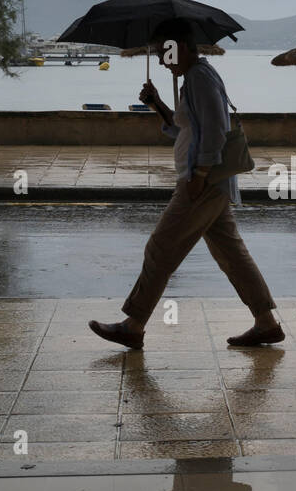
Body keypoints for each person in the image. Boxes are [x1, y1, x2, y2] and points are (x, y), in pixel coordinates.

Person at [88, 19, 284, 350]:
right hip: (208, 182)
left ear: (181, 46)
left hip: (202, 183)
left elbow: (216, 130)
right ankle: (266, 323)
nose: (163, 57)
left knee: (160, 247)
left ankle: (133, 324)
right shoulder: (193, 79)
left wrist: (200, 175)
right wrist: (158, 105)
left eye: (165, 49)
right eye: (159, 51)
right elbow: (188, 132)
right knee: (231, 254)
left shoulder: (200, 78)